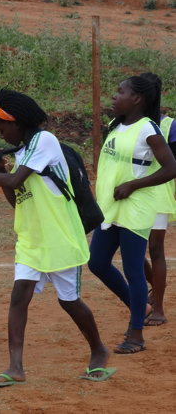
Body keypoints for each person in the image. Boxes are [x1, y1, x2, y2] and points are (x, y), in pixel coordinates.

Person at [0, 89, 115, 386]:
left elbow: (16, 180)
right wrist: (1, 172)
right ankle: (15, 367)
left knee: (70, 301)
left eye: (1, 127)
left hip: (60, 237)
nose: (0, 134)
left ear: (16, 121)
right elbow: (17, 198)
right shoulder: (23, 152)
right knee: (19, 297)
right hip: (32, 238)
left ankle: (99, 349)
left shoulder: (45, 141)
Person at [88, 73, 176, 354]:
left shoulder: (148, 129)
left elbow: (171, 168)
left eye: (120, 91)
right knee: (97, 263)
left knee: (134, 269)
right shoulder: (116, 125)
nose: (114, 96)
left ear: (136, 98)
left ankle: (136, 334)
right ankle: (141, 307)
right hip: (111, 206)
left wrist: (133, 185)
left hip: (136, 207)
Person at [140, 73, 176, 327]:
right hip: (131, 195)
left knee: (155, 248)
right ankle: (156, 287)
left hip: (159, 194)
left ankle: (159, 308)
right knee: (130, 249)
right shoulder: (125, 123)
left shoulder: (169, 126)